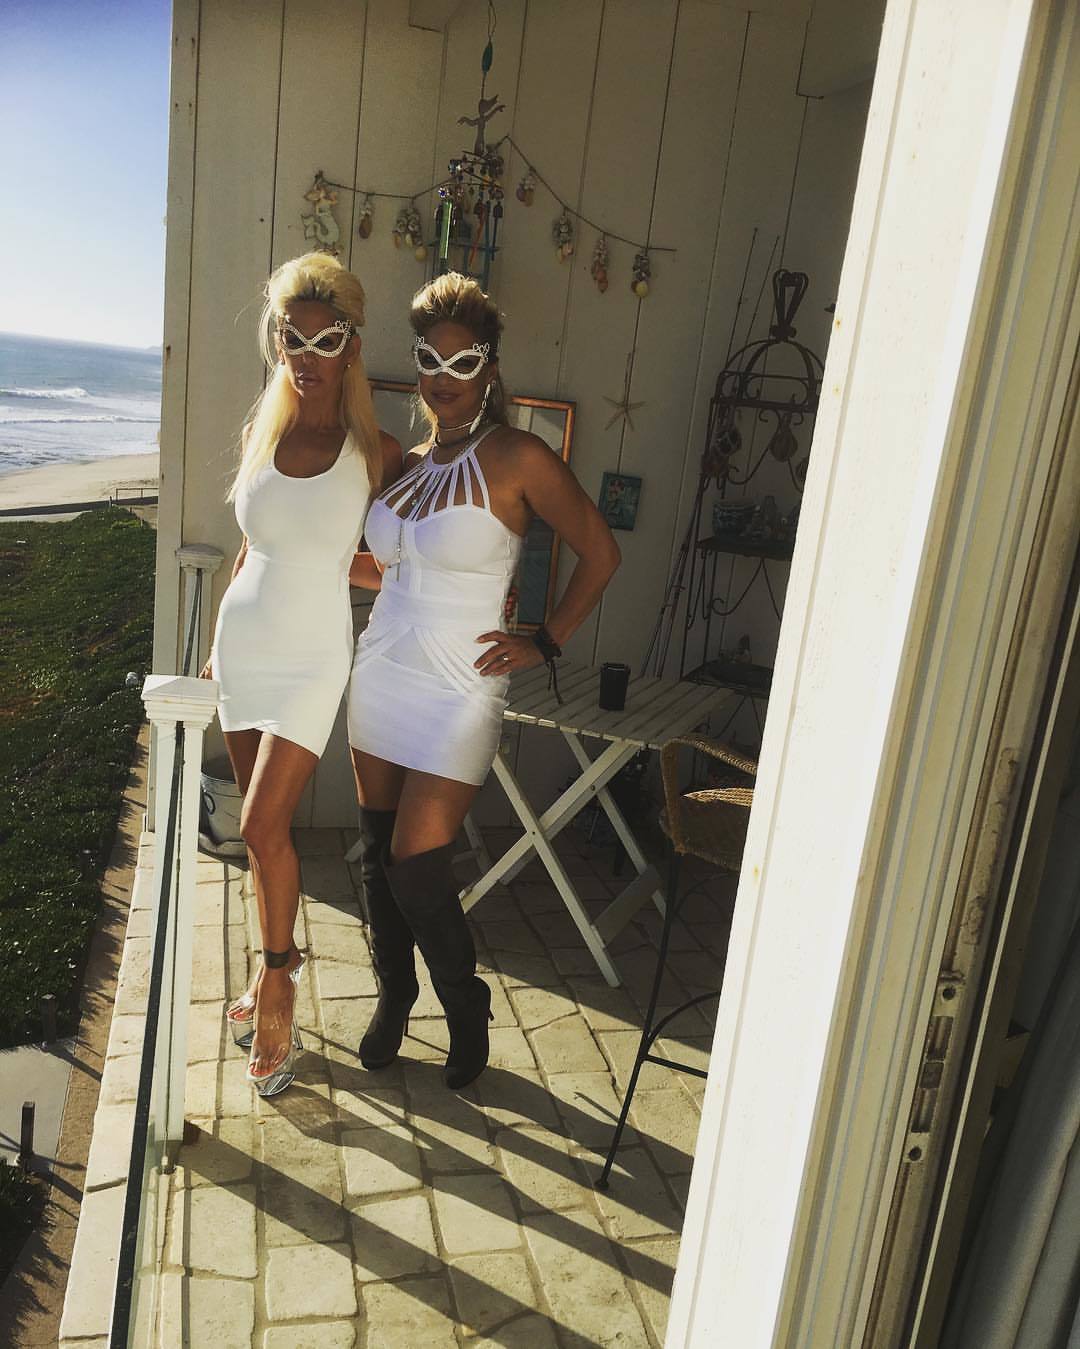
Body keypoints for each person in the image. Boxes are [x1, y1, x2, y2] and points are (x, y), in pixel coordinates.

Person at [347, 272, 620, 1090]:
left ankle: (464, 1004)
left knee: (415, 861)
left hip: (461, 685)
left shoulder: (519, 456)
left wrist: (547, 640)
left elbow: (600, 551)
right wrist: (298, 561)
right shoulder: (408, 464)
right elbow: (392, 570)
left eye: (462, 362)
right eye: (429, 359)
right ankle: (394, 997)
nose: (443, 377)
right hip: (383, 667)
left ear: (489, 368)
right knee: (377, 853)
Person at [205, 251, 401, 1097]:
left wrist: (339, 571)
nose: (309, 355)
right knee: (264, 837)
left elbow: (389, 564)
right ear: (278, 339)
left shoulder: (375, 451)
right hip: (244, 647)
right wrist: (218, 642)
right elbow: (255, 547)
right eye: (295, 338)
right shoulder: (265, 431)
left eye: (327, 340)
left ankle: (280, 983)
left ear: (352, 345)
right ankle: (268, 965)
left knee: (260, 825)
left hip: (315, 657)